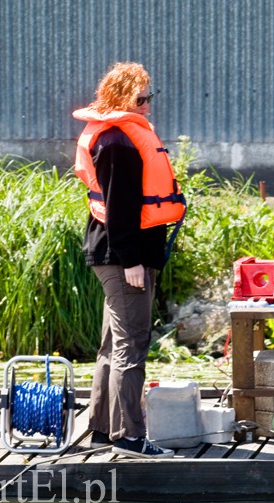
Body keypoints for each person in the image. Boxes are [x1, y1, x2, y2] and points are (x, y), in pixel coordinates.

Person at [73, 62, 186, 459]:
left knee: (112, 345)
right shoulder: (117, 142)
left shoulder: (121, 135)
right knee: (131, 345)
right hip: (123, 257)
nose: (148, 107)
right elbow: (119, 209)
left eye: (149, 97)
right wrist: (132, 261)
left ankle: (103, 430)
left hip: (121, 253)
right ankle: (129, 436)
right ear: (122, 99)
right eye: (141, 99)